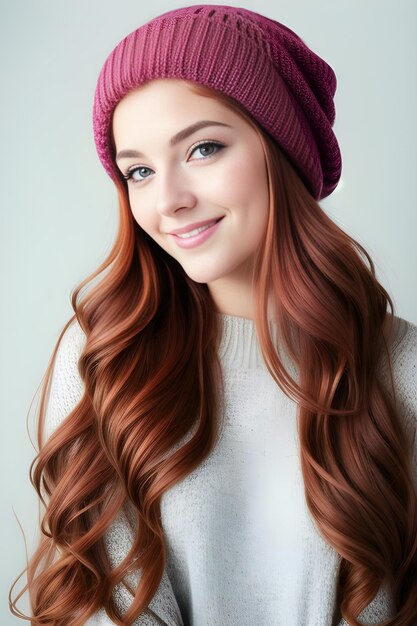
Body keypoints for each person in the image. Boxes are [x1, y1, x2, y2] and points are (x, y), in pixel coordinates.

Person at [9, 4, 417, 626]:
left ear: (282, 150)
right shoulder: (102, 355)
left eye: (203, 148)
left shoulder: (403, 368)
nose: (168, 199)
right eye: (138, 171)